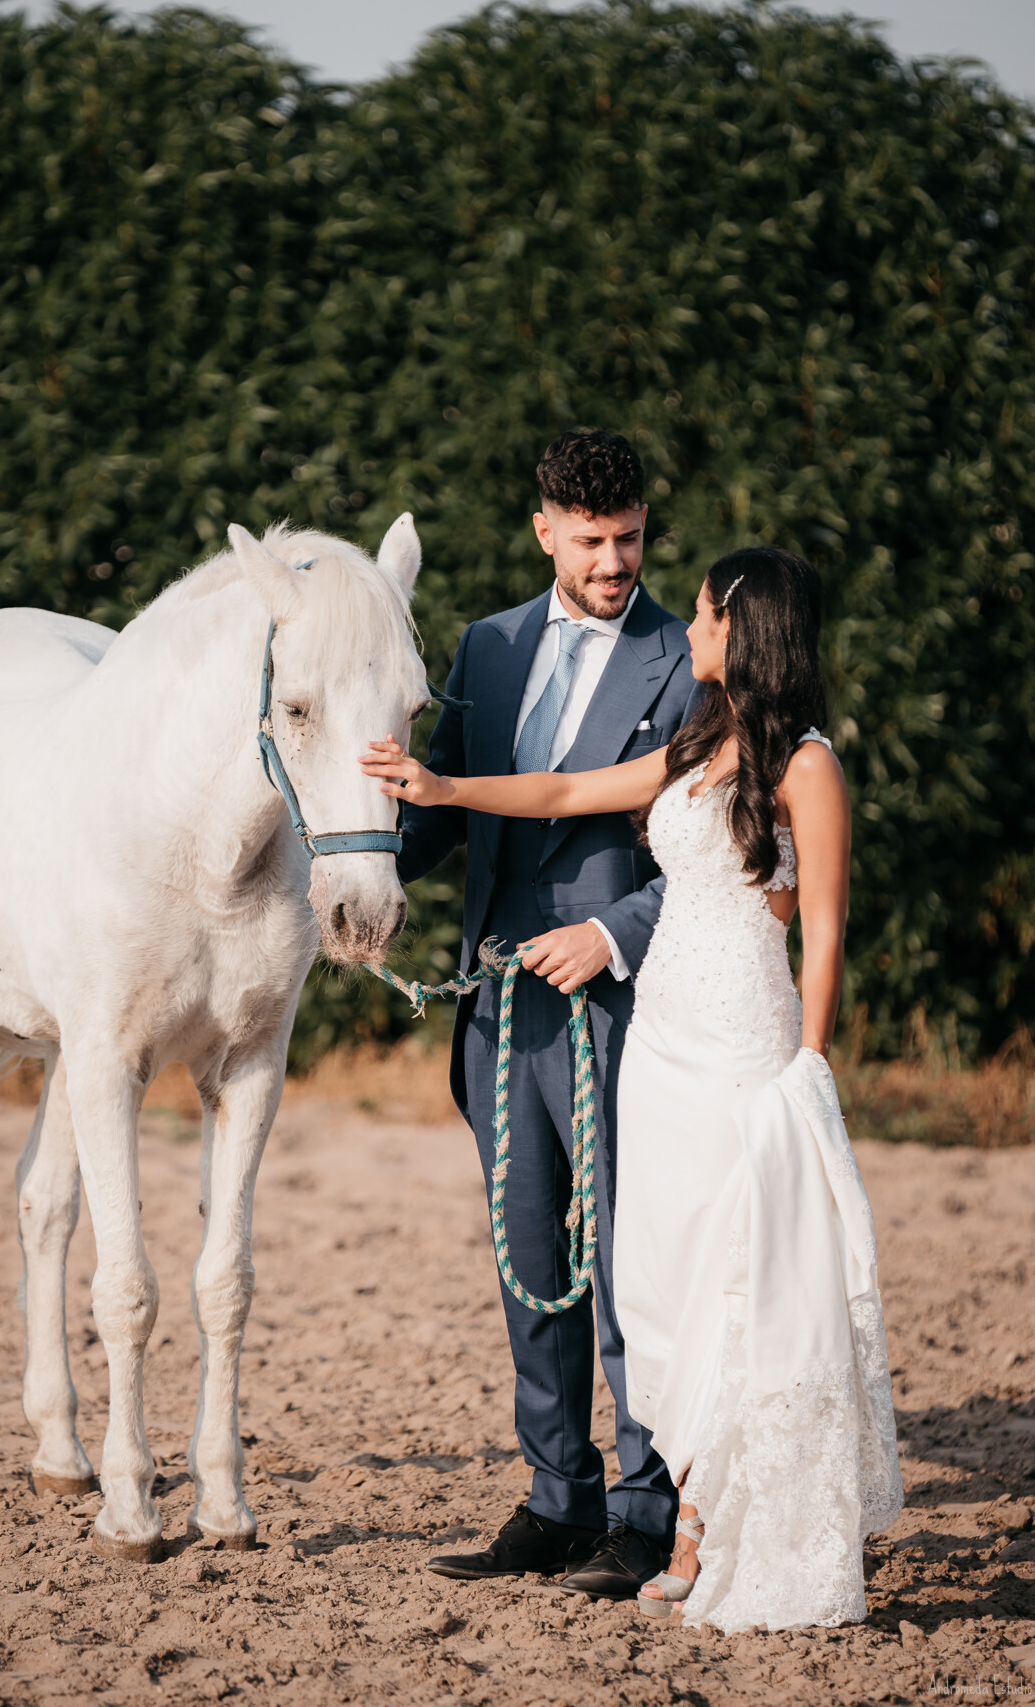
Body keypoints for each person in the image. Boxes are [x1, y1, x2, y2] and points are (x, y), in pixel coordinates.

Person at [363, 545, 904, 1632]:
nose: (686, 628)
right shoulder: (702, 740)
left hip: (742, 1042)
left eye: (703, 615)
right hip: (660, 1044)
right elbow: (567, 789)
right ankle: (642, 1505)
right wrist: (443, 788)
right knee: (661, 1278)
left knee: (734, 1280)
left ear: (742, 631)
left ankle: (693, 1530)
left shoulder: (808, 767)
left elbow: (826, 926)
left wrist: (810, 1062)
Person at [390, 429, 700, 1599]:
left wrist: (612, 932)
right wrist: (347, 865)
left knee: (622, 1264)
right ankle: (558, 1497)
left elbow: (713, 850)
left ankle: (644, 1510)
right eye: (591, 541)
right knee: (529, 1259)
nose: (615, 561)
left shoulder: (687, 658)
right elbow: (440, 814)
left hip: (618, 1003)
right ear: (544, 532)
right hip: (496, 1003)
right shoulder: (488, 645)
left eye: (629, 538)